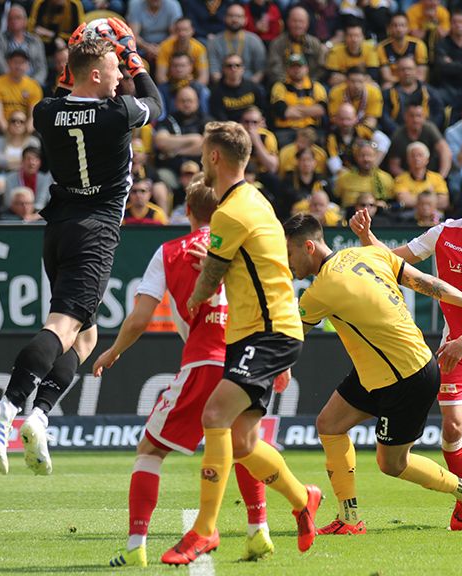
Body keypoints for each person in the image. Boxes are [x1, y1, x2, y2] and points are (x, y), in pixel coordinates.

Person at [0, 20, 163, 477]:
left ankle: (39, 417)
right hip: (95, 231)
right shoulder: (117, 113)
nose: (121, 76)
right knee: (62, 326)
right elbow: (155, 103)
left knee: (86, 336)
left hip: (58, 227)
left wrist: (80, 58)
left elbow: (67, 90)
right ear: (96, 74)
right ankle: (7, 406)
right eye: (114, 68)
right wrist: (136, 60)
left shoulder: (45, 112)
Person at [286, 213, 462, 535]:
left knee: (392, 464)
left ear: (308, 247)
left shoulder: (320, 291)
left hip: (408, 377)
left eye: (289, 253)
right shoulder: (369, 254)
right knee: (329, 425)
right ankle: (349, 519)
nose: (288, 262)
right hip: (380, 371)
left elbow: (291, 336)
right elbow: (429, 284)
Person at [93, 177, 273, 567]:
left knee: (150, 450)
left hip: (204, 361)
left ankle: (135, 545)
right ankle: (258, 528)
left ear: (187, 211)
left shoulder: (169, 251)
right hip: (248, 360)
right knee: (244, 444)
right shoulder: (244, 247)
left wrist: (113, 351)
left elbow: (140, 318)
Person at [162, 121, 319, 565]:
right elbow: (243, 264)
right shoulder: (254, 200)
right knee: (244, 441)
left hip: (265, 332)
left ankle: (204, 530)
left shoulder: (230, 212)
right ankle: (302, 498)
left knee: (214, 414)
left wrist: (195, 297)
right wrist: (215, 263)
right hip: (259, 330)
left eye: (202, 154)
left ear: (214, 157)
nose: (200, 161)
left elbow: (213, 274)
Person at [351, 169, 462, 512]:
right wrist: (366, 236)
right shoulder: (444, 233)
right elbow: (394, 261)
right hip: (458, 350)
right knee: (451, 427)